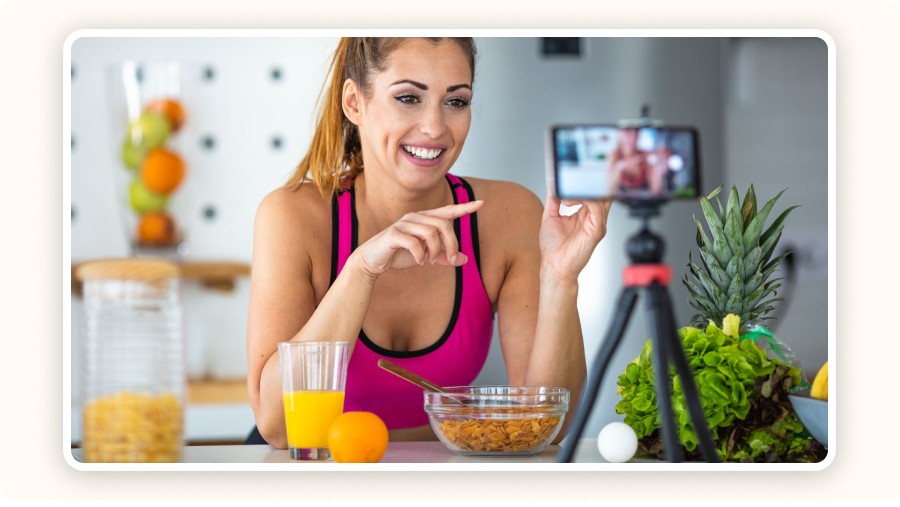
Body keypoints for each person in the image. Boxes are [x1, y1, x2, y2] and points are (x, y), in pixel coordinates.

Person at [246, 37, 611, 447]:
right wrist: (361, 271)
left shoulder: (507, 215)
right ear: (354, 103)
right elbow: (277, 426)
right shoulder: (294, 215)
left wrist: (560, 278)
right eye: (408, 97)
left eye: (456, 102)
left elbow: (546, 425)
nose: (435, 127)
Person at [607, 127, 669, 197]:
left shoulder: (646, 155)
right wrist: (621, 166)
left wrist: (659, 171)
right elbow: (611, 190)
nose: (632, 138)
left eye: (635, 134)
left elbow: (656, 192)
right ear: (619, 135)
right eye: (627, 134)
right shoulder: (614, 156)